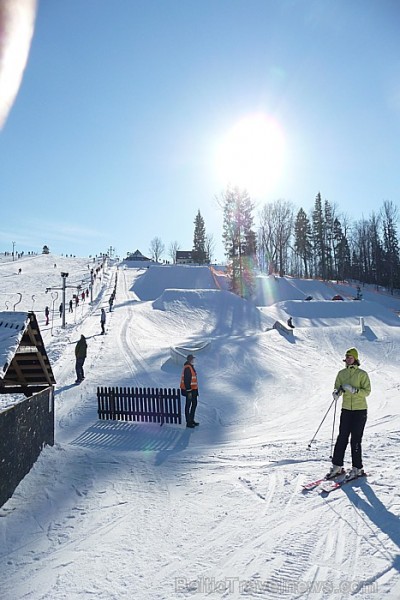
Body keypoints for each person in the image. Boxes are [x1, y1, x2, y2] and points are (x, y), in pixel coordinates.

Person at [327, 348, 371, 479]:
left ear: (355, 359)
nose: (348, 359)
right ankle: (337, 466)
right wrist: (336, 393)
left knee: (355, 440)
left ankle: (357, 468)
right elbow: (338, 387)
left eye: (350, 357)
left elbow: (367, 391)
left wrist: (354, 390)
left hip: (360, 410)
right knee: (342, 438)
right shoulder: (341, 373)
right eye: (346, 357)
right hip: (346, 410)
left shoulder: (362, 374)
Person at [180, 354, 199, 428]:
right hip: (190, 391)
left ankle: (191, 419)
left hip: (194, 390)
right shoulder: (187, 368)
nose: (194, 360)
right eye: (192, 359)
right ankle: (188, 422)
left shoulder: (191, 367)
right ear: (189, 360)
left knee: (194, 404)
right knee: (188, 405)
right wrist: (189, 391)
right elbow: (186, 381)